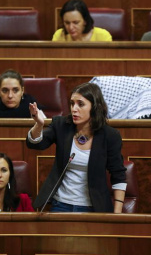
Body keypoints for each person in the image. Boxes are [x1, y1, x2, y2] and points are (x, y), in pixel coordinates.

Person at [26, 82, 126, 213]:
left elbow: (118, 174)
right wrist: (39, 125)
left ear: (95, 107)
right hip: (61, 204)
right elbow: (35, 143)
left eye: (81, 104)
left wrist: (117, 214)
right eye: (72, 103)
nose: (74, 108)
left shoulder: (109, 135)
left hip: (93, 207)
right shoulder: (62, 125)